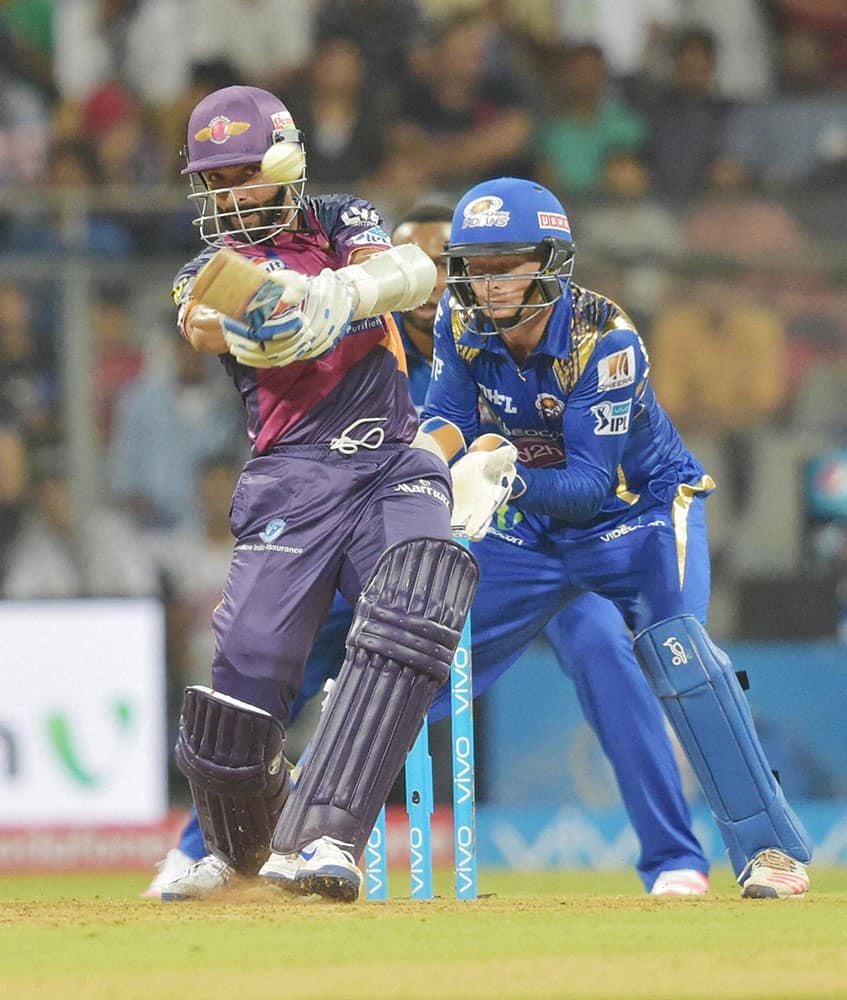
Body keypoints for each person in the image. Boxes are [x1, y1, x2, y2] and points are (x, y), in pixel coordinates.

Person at [148, 204, 708, 898]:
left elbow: (582, 450)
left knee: (600, 646)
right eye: (424, 262)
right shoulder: (374, 352)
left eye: (450, 262)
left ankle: (673, 859)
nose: (440, 280)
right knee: (312, 640)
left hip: (535, 540)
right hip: (429, 554)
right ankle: (220, 845)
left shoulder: (496, 336)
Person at [421, 176, 812, 899]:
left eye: (508, 261)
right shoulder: (457, 316)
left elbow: (588, 489)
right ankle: (315, 829)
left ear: (550, 260)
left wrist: (496, 476)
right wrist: (427, 464)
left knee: (677, 650)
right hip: (532, 521)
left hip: (638, 516)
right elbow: (444, 413)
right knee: (417, 648)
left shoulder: (606, 337)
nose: (489, 281)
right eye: (476, 263)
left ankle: (767, 854)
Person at [158, 85, 482, 904]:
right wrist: (254, 326)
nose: (230, 194)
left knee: (415, 601)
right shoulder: (209, 265)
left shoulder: (341, 218)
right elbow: (200, 319)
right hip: (289, 476)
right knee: (243, 676)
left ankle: (327, 834)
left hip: (388, 460)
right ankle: (241, 850)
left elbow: (410, 272)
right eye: (215, 179)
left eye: (244, 173)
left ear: (286, 164)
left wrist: (333, 297)